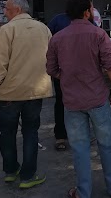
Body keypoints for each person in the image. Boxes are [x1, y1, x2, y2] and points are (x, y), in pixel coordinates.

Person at [46, 0, 111, 198]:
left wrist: (67, 77)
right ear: (86, 12)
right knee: (106, 144)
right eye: (91, 8)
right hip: (97, 98)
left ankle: (83, 192)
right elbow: (110, 67)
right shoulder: (99, 35)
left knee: (79, 148)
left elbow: (51, 69)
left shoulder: (57, 38)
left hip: (72, 101)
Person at [0, 0, 53, 189]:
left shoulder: (7, 30)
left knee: (7, 133)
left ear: (16, 9)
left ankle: (10, 171)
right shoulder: (44, 29)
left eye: (6, 9)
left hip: (9, 92)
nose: (4, 13)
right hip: (36, 91)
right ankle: (27, 176)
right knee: (31, 133)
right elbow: (51, 58)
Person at [47, 12, 72, 151]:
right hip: (61, 71)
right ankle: (60, 135)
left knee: (81, 102)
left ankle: (78, 134)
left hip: (80, 72)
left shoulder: (88, 21)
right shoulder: (58, 19)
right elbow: (47, 40)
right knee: (61, 101)